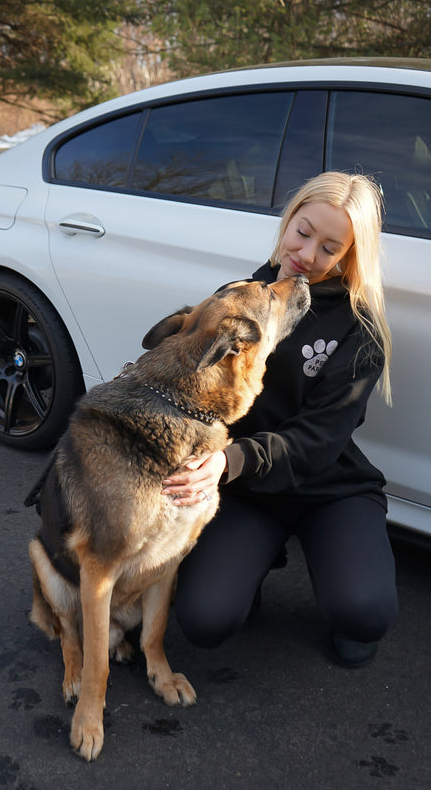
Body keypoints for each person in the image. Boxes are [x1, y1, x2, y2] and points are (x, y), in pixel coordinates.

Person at [162, 171, 398, 668]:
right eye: (303, 231)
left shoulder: (359, 328)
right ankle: (252, 565)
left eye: (330, 247)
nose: (308, 254)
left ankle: (348, 599)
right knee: (205, 620)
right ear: (289, 219)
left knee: (365, 615)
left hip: (328, 487)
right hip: (246, 488)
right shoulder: (238, 295)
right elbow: (194, 387)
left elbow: (321, 438)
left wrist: (230, 459)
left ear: (349, 256)